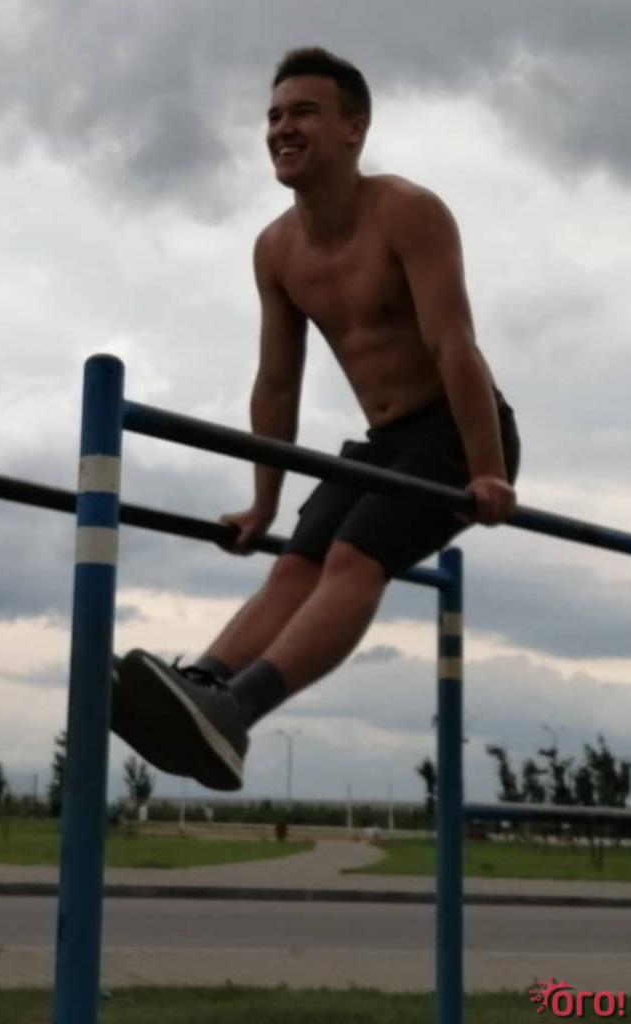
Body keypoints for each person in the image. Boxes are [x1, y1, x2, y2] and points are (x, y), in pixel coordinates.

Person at [111, 47, 520, 791]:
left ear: (354, 128)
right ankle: (201, 687)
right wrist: (263, 503)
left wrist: (488, 468)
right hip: (385, 441)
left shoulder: (408, 212)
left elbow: (453, 344)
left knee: (352, 558)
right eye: (273, 116)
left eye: (303, 112)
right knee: (296, 564)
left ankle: (238, 709)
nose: (281, 129)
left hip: (459, 430)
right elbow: (276, 382)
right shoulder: (276, 249)